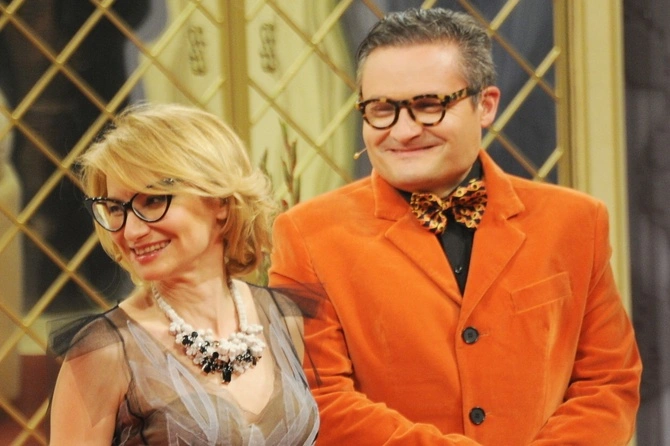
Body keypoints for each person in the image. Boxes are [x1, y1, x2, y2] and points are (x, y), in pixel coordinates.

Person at [269, 7, 641, 445]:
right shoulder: (307, 235)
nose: (403, 131)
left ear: (485, 105)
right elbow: (318, 399)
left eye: (429, 106)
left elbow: (608, 381)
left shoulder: (576, 221)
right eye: (381, 109)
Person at [49, 103, 319, 445]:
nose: (131, 231)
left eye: (153, 200)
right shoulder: (104, 353)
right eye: (116, 208)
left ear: (221, 203)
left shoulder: (283, 318)